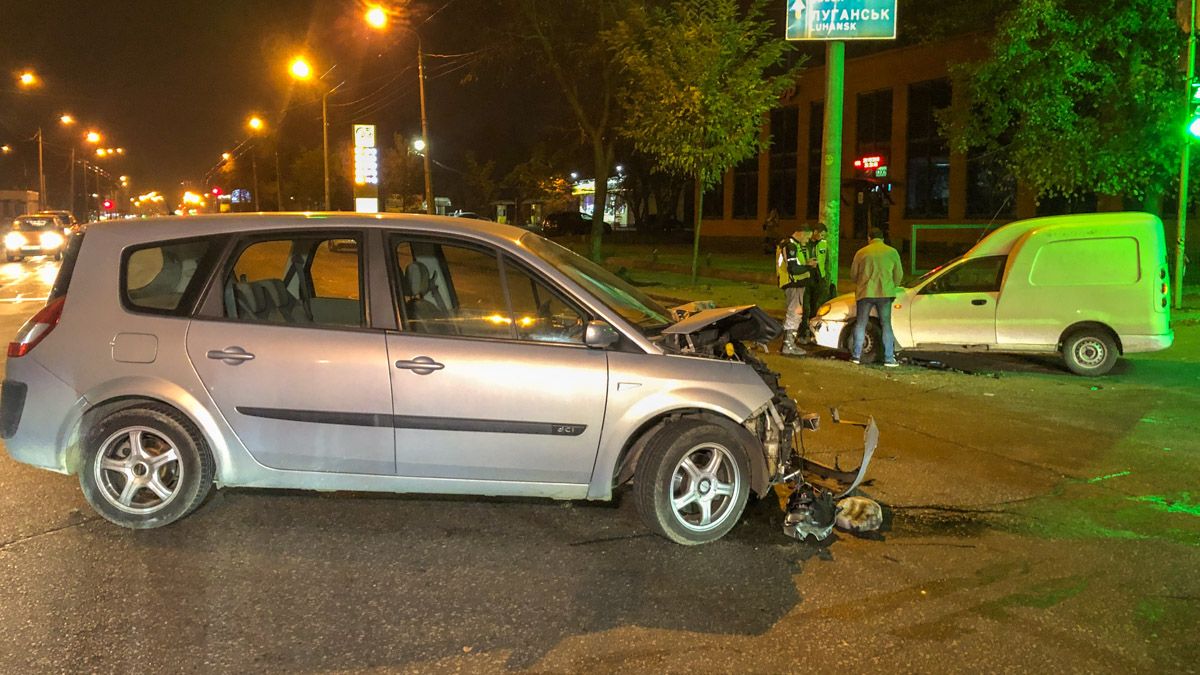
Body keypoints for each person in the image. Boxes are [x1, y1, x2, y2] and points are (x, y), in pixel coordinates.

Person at [849, 227, 904, 366]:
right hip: (885, 294)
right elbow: (899, 275)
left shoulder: (861, 253)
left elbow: (853, 275)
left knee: (861, 324)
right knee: (886, 324)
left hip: (865, 293)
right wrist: (892, 285)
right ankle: (889, 358)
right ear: (883, 238)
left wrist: (861, 282)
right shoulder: (892, 252)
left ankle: (856, 356)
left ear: (869, 238)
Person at [775, 225, 814, 356]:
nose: (808, 240)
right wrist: (808, 266)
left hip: (796, 283)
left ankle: (789, 343)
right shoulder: (790, 245)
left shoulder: (794, 245)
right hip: (793, 283)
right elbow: (793, 268)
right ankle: (788, 345)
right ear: (801, 233)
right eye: (807, 237)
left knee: (795, 312)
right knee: (794, 313)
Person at [800, 223, 829, 344]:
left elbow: (827, 261)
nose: (822, 237)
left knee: (816, 308)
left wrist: (826, 277)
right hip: (806, 278)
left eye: (824, 235)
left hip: (819, 279)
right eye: (821, 234)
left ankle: (813, 335)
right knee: (805, 308)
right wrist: (807, 263)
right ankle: (802, 333)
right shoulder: (804, 243)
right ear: (815, 232)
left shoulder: (823, 244)